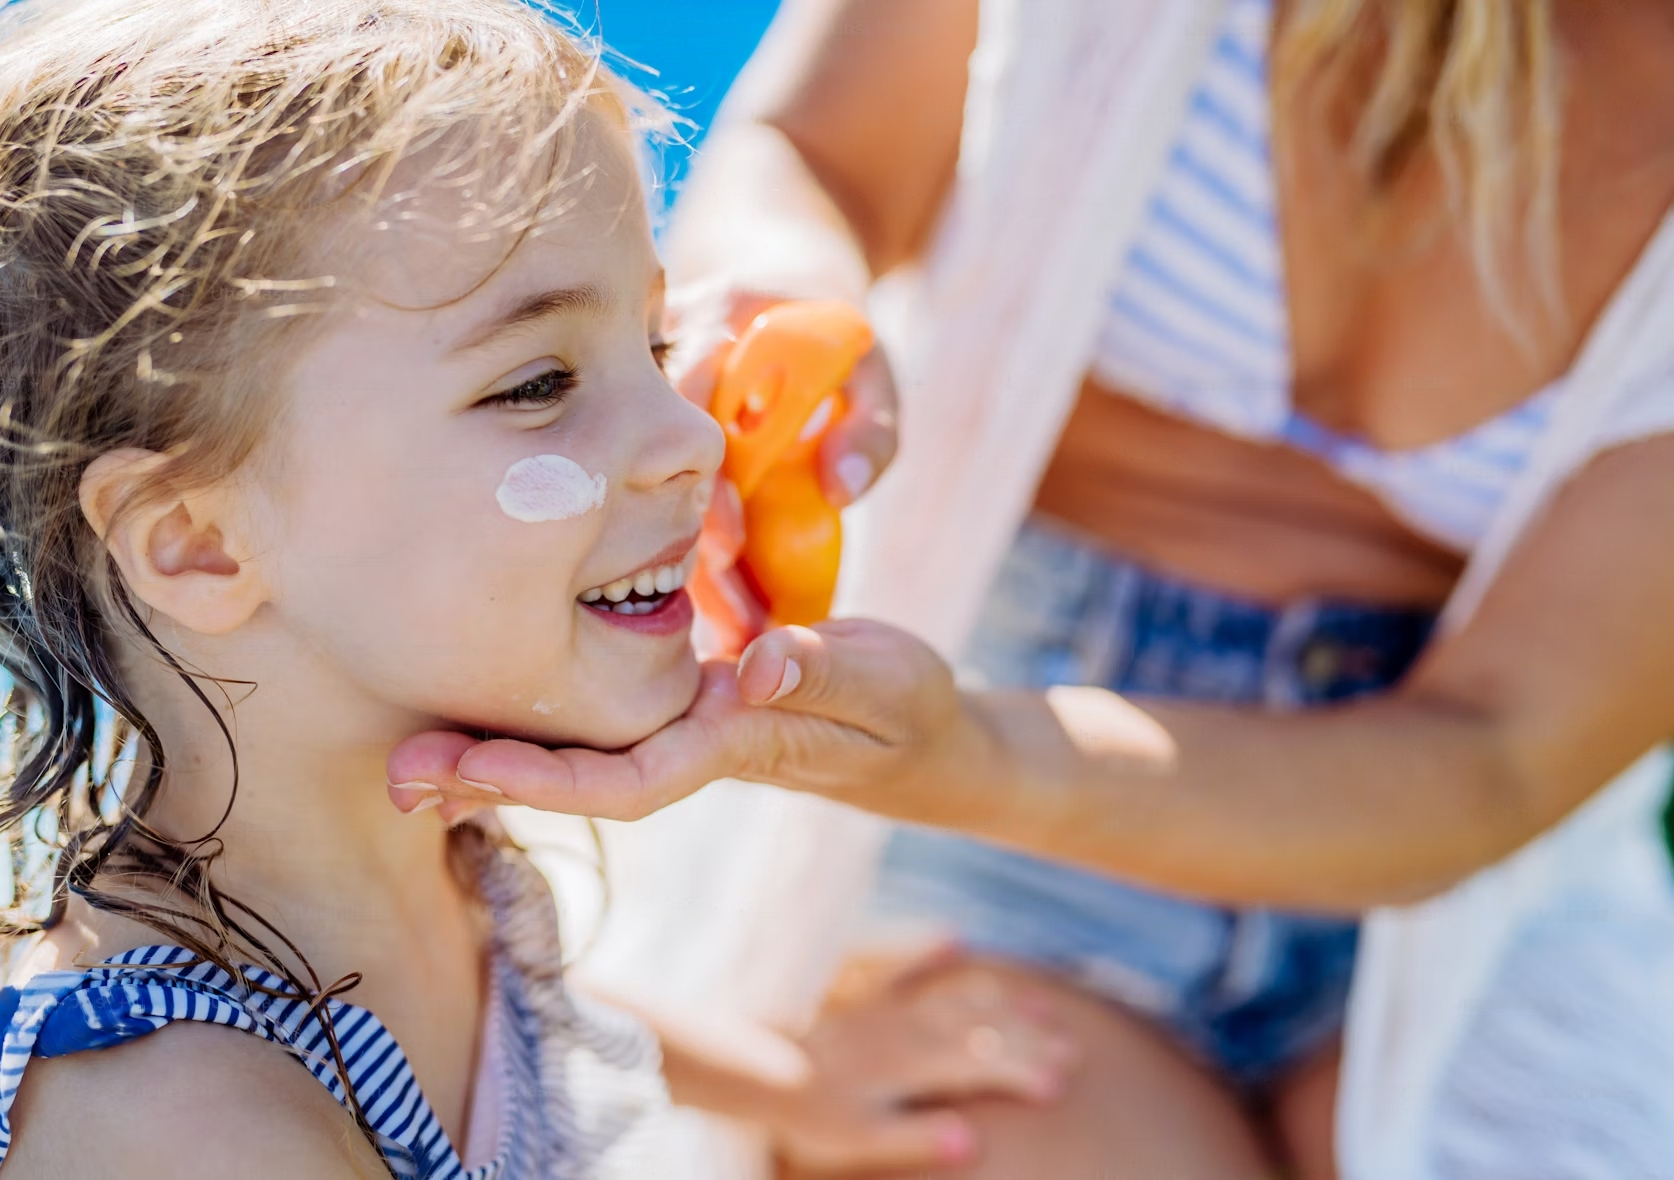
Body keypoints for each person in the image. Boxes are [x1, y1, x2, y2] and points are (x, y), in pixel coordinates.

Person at [389, 0, 1674, 1175]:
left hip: (1447, 880)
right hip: (985, 763)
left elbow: (1493, 758)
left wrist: (959, 750)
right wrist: (781, 301)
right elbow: (818, 158)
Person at [0, 3, 1073, 1176]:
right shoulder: (185, 1121)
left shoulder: (426, 835)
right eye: (539, 382)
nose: (691, 437)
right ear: (199, 542)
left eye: (656, 347)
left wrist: (789, 1081)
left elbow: (526, 1002)